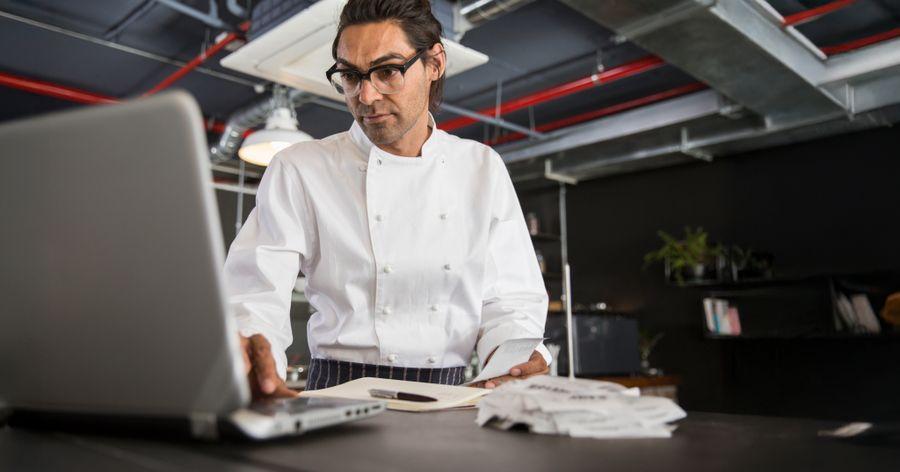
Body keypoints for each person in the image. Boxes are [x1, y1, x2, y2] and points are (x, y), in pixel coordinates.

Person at [225, 0, 551, 399]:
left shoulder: (482, 167)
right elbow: (254, 292)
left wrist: (514, 355)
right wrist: (255, 365)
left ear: (434, 63)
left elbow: (510, 299)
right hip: (336, 393)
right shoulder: (301, 168)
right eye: (350, 75)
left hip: (449, 400)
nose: (366, 95)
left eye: (387, 71)